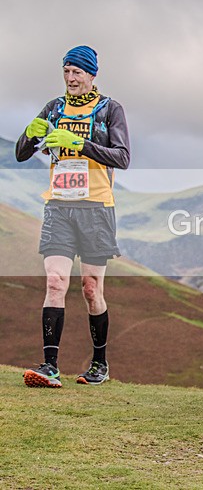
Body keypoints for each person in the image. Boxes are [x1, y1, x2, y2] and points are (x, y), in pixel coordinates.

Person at [16, 45, 131, 388]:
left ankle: (99, 364)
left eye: (77, 73)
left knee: (91, 289)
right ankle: (49, 366)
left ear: (91, 75)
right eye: (66, 72)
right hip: (59, 208)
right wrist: (30, 134)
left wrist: (79, 144)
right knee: (55, 282)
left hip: (96, 208)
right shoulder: (53, 108)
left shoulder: (110, 109)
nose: (70, 79)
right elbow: (23, 154)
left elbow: (122, 157)